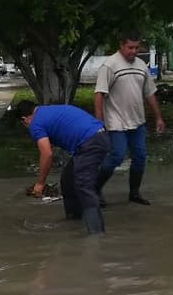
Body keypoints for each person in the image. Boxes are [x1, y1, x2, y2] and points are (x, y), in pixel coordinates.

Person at [14, 100, 109, 234]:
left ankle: (97, 234)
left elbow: (47, 154)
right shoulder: (46, 112)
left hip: (89, 143)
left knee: (84, 187)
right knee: (68, 180)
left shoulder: (35, 123)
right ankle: (74, 220)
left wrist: (40, 183)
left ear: (25, 119)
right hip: (99, 136)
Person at [94, 32, 165, 206]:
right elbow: (99, 94)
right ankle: (94, 189)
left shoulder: (141, 65)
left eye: (136, 47)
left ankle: (134, 193)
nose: (133, 51)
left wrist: (158, 117)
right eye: (130, 47)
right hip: (116, 122)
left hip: (137, 121)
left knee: (140, 157)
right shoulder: (109, 65)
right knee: (117, 156)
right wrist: (98, 123)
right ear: (121, 45)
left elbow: (149, 93)